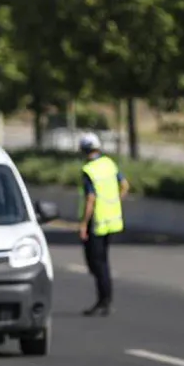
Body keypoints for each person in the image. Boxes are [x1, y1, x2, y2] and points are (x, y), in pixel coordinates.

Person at [78, 132, 130, 317]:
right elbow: (125, 185)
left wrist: (83, 224)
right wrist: (114, 202)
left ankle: (104, 301)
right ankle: (104, 299)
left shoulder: (89, 170)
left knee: (97, 264)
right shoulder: (109, 164)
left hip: (97, 222)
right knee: (103, 263)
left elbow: (90, 199)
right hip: (111, 221)